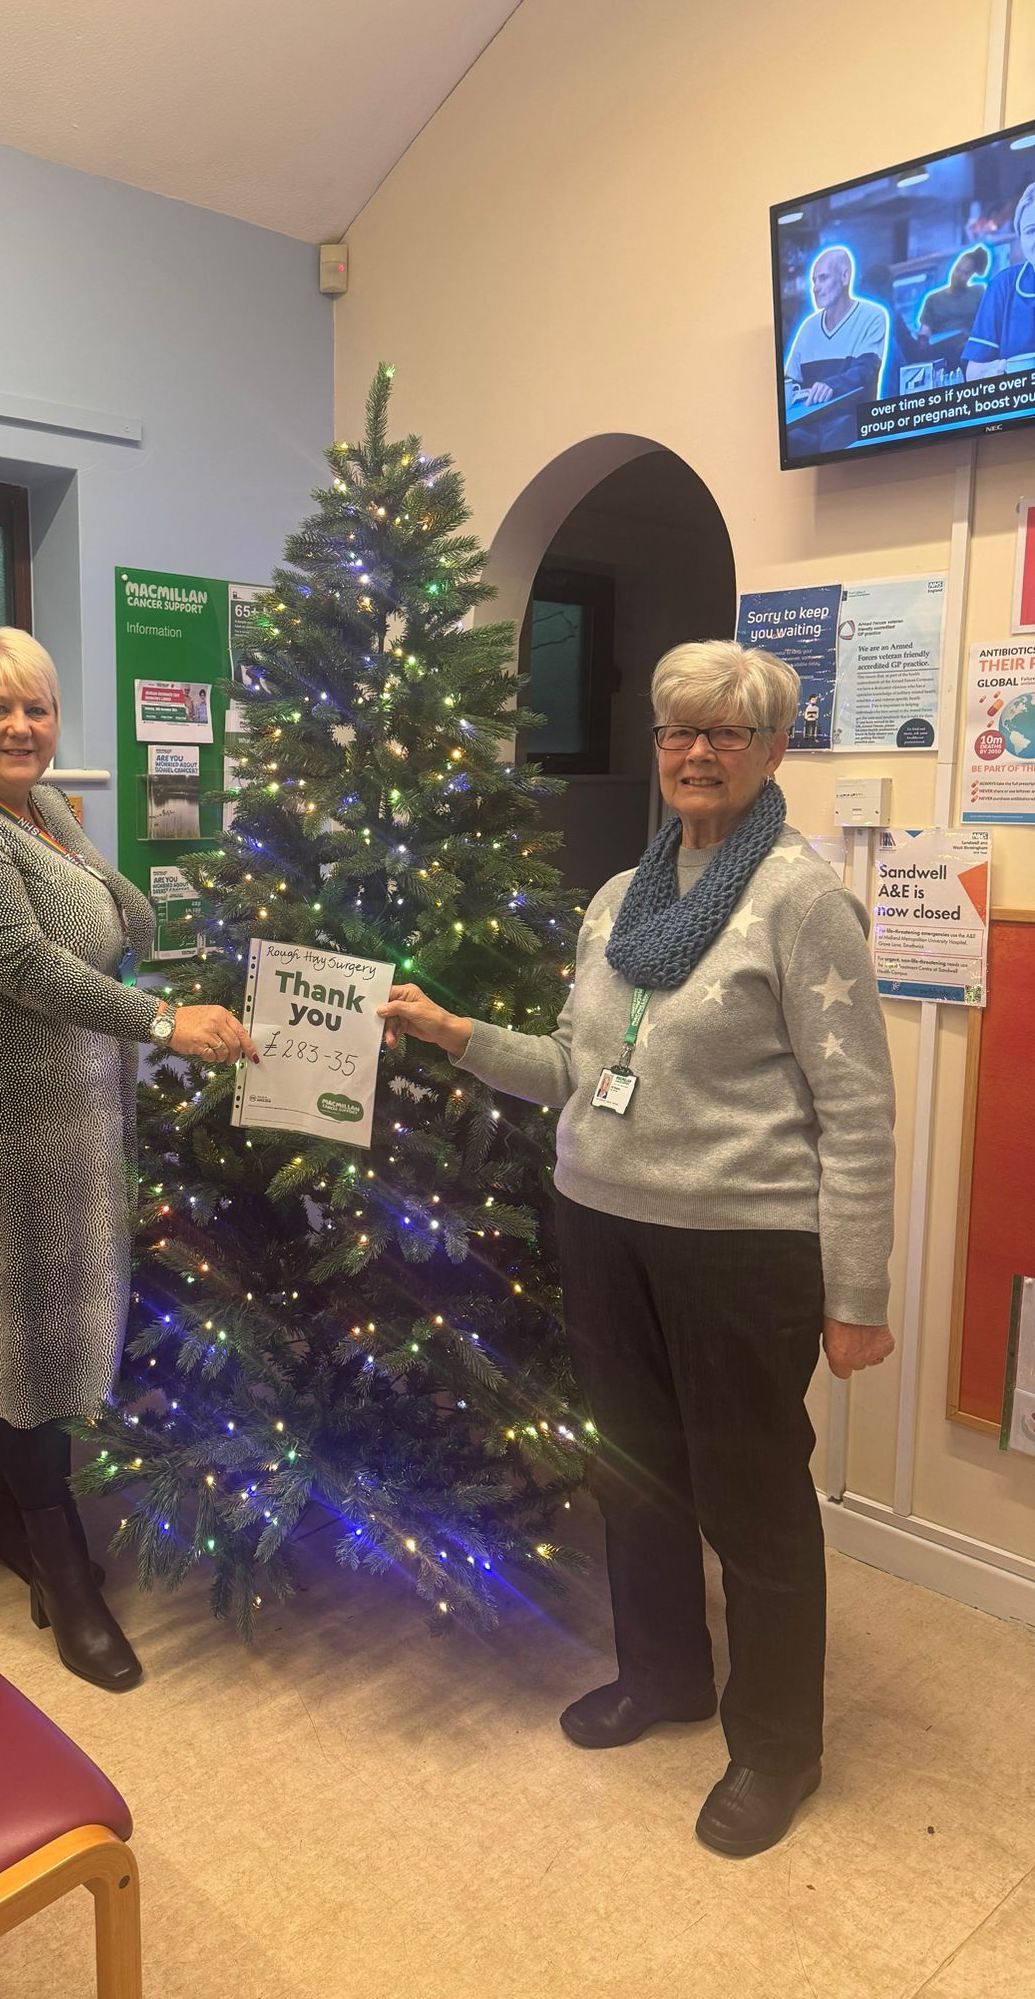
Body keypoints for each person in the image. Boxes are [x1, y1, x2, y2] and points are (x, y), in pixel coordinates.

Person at [377, 639, 896, 1858]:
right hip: (602, 1221)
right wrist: (456, 1033)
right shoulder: (619, 899)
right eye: (678, 730)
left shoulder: (802, 898)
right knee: (636, 1476)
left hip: (742, 1247)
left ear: (771, 749)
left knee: (752, 1496)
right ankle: (662, 1674)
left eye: (726, 729)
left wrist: (857, 1287)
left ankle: (778, 1745)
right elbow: (575, 1064)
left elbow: (859, 1110)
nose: (697, 750)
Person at [0, 626, 256, 1692]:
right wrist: (165, 1019)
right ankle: (63, 1565)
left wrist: (74, 844)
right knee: (22, 1335)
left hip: (70, 1121)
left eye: (36, 707)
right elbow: (20, 960)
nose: (20, 726)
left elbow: (127, 916)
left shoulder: (34, 810)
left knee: (39, 1324)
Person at [784, 246, 889, 454]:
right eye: (814, 281)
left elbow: (865, 371)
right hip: (809, 424)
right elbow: (790, 381)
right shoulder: (808, 327)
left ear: (844, 276)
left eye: (823, 278)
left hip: (852, 419)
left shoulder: (872, 316)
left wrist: (831, 385)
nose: (815, 288)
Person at [964, 183, 1035, 378]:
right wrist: (997, 372)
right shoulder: (1003, 286)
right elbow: (973, 372)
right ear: (1020, 238)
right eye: (1031, 231)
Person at [915, 246, 990, 372]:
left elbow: (987, 324)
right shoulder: (933, 299)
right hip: (942, 353)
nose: (958, 275)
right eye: (957, 269)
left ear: (971, 275)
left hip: (971, 350)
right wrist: (922, 338)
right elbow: (925, 332)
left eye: (964, 273)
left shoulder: (978, 292)